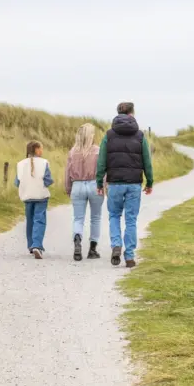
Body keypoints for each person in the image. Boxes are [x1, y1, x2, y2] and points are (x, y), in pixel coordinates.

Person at [95, 102, 153, 268]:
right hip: (134, 184)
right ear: (132, 113)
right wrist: (149, 181)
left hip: (114, 183)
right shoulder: (140, 136)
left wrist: (99, 181)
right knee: (131, 219)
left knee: (114, 215)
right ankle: (129, 255)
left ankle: (116, 245)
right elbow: (147, 161)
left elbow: (101, 161)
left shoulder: (109, 135)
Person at [65, 123, 103, 261]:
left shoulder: (72, 151)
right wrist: (104, 186)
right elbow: (102, 171)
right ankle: (92, 249)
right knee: (96, 217)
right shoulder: (98, 151)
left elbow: (67, 172)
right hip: (94, 184)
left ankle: (77, 240)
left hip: (77, 185)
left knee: (78, 218)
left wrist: (68, 188)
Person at [15, 140, 54, 259]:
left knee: (30, 220)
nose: (42, 151)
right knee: (39, 220)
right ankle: (37, 245)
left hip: (27, 196)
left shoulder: (20, 164)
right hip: (41, 196)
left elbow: (17, 182)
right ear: (37, 150)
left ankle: (31, 246)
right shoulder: (44, 163)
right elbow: (47, 180)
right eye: (41, 148)